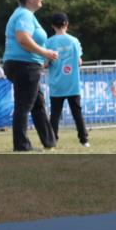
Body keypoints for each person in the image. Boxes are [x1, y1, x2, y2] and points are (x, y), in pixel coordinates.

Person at [2, 0, 59, 152]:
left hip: (24, 65)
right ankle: (21, 145)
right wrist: (45, 52)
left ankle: (50, 142)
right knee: (24, 106)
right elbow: (23, 39)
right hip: (24, 65)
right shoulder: (24, 14)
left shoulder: (25, 15)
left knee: (37, 104)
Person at [44, 12, 88, 147]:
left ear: (52, 26)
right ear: (67, 24)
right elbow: (79, 61)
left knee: (55, 115)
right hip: (73, 84)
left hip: (57, 85)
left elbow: (45, 63)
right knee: (77, 113)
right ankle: (84, 140)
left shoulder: (49, 42)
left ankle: (53, 140)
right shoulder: (74, 41)